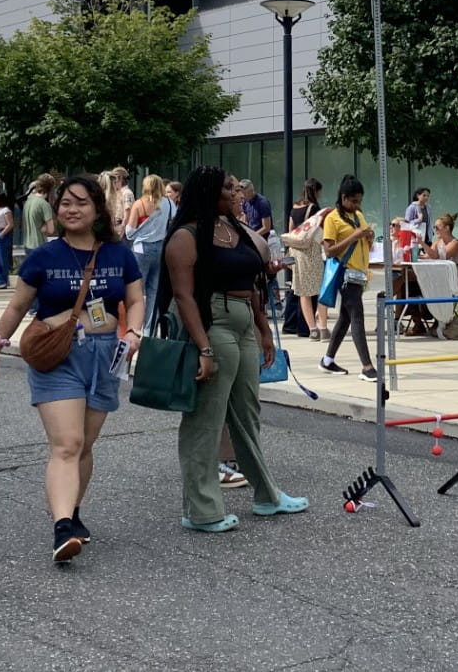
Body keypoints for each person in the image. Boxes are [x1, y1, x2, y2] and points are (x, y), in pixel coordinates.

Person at [0, 174, 144, 562]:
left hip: (105, 354)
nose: (71, 210)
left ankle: (72, 510)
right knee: (67, 444)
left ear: (97, 209)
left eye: (81, 203)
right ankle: (62, 528)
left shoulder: (118, 254)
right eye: (65, 203)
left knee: (85, 444)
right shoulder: (44, 257)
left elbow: (136, 299)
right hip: (58, 356)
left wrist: (134, 331)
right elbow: (17, 307)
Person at [160, 167, 307, 532]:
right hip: (214, 322)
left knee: (247, 412)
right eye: (229, 188)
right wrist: (204, 349)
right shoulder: (186, 236)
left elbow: (251, 281)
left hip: (244, 321)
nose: (237, 192)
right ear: (209, 192)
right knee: (206, 420)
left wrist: (264, 331)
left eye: (237, 187)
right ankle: (201, 509)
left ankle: (267, 496)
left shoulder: (233, 229)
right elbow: (183, 296)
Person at [317, 177, 378, 380]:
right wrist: (354, 236)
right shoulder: (332, 219)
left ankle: (327, 360)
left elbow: (366, 246)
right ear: (343, 198)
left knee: (345, 318)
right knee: (357, 316)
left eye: (359, 201)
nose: (357, 205)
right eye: (353, 201)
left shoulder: (358, 216)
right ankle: (367, 366)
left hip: (359, 274)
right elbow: (330, 251)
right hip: (345, 275)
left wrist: (368, 238)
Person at [283, 178, 329, 342]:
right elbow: (319, 232)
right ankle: (322, 327)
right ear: (316, 191)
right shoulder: (314, 208)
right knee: (319, 288)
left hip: (297, 251)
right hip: (311, 251)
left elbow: (291, 230)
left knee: (303, 291)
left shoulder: (295, 207)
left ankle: (311, 329)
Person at [125, 174, 174, 326]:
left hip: (142, 249)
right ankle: (149, 328)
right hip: (160, 247)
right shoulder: (169, 203)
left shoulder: (139, 204)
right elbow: (174, 221)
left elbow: (129, 232)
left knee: (137, 290)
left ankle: (135, 326)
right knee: (154, 290)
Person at [21, 173, 56, 249]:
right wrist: (44, 225)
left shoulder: (28, 202)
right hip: (39, 245)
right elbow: (51, 230)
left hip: (27, 245)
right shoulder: (44, 205)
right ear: (50, 188)